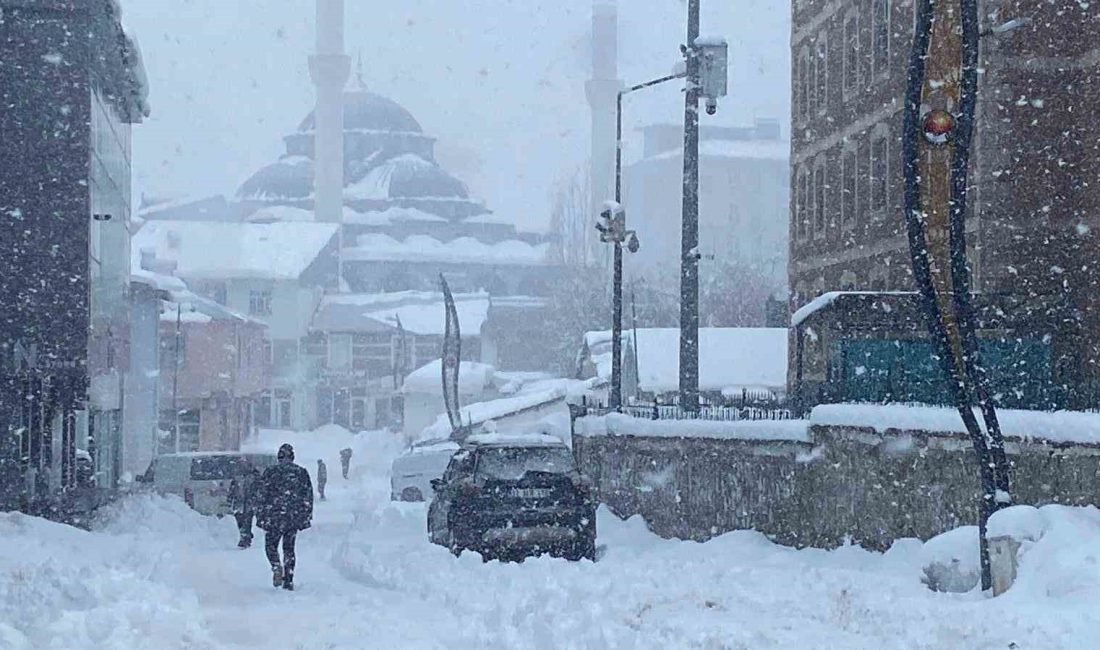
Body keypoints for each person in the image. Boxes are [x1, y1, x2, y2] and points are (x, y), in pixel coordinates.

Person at [256, 444, 313, 590]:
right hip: (292, 517)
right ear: (292, 457)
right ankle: (288, 579)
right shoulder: (301, 473)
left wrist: (261, 515)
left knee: (270, 546)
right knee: (289, 549)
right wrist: (305, 516)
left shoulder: (270, 472)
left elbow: (261, 494)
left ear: (279, 457)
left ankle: (276, 566)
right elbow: (307, 496)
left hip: (273, 516)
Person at [228, 464, 261, 548]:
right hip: (239, 503)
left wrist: (255, 499)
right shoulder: (237, 477)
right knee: (240, 521)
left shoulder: (255, 477)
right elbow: (232, 488)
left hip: (249, 503)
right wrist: (230, 498)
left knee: (247, 520)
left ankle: (245, 538)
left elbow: (258, 489)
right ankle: (246, 534)